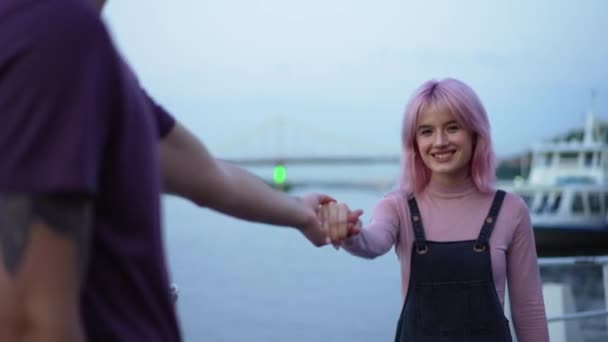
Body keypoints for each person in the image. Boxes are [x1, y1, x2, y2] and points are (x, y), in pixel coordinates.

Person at [0, 0, 360, 341]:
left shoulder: (84, 55)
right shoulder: (57, 36)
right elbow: (28, 323)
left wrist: (301, 211)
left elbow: (209, 176)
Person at [320, 78, 549, 341]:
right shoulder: (398, 206)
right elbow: (371, 242)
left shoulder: (511, 210)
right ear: (414, 142)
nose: (439, 142)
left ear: (476, 133)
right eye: (426, 131)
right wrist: (348, 231)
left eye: (453, 128)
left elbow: (529, 309)